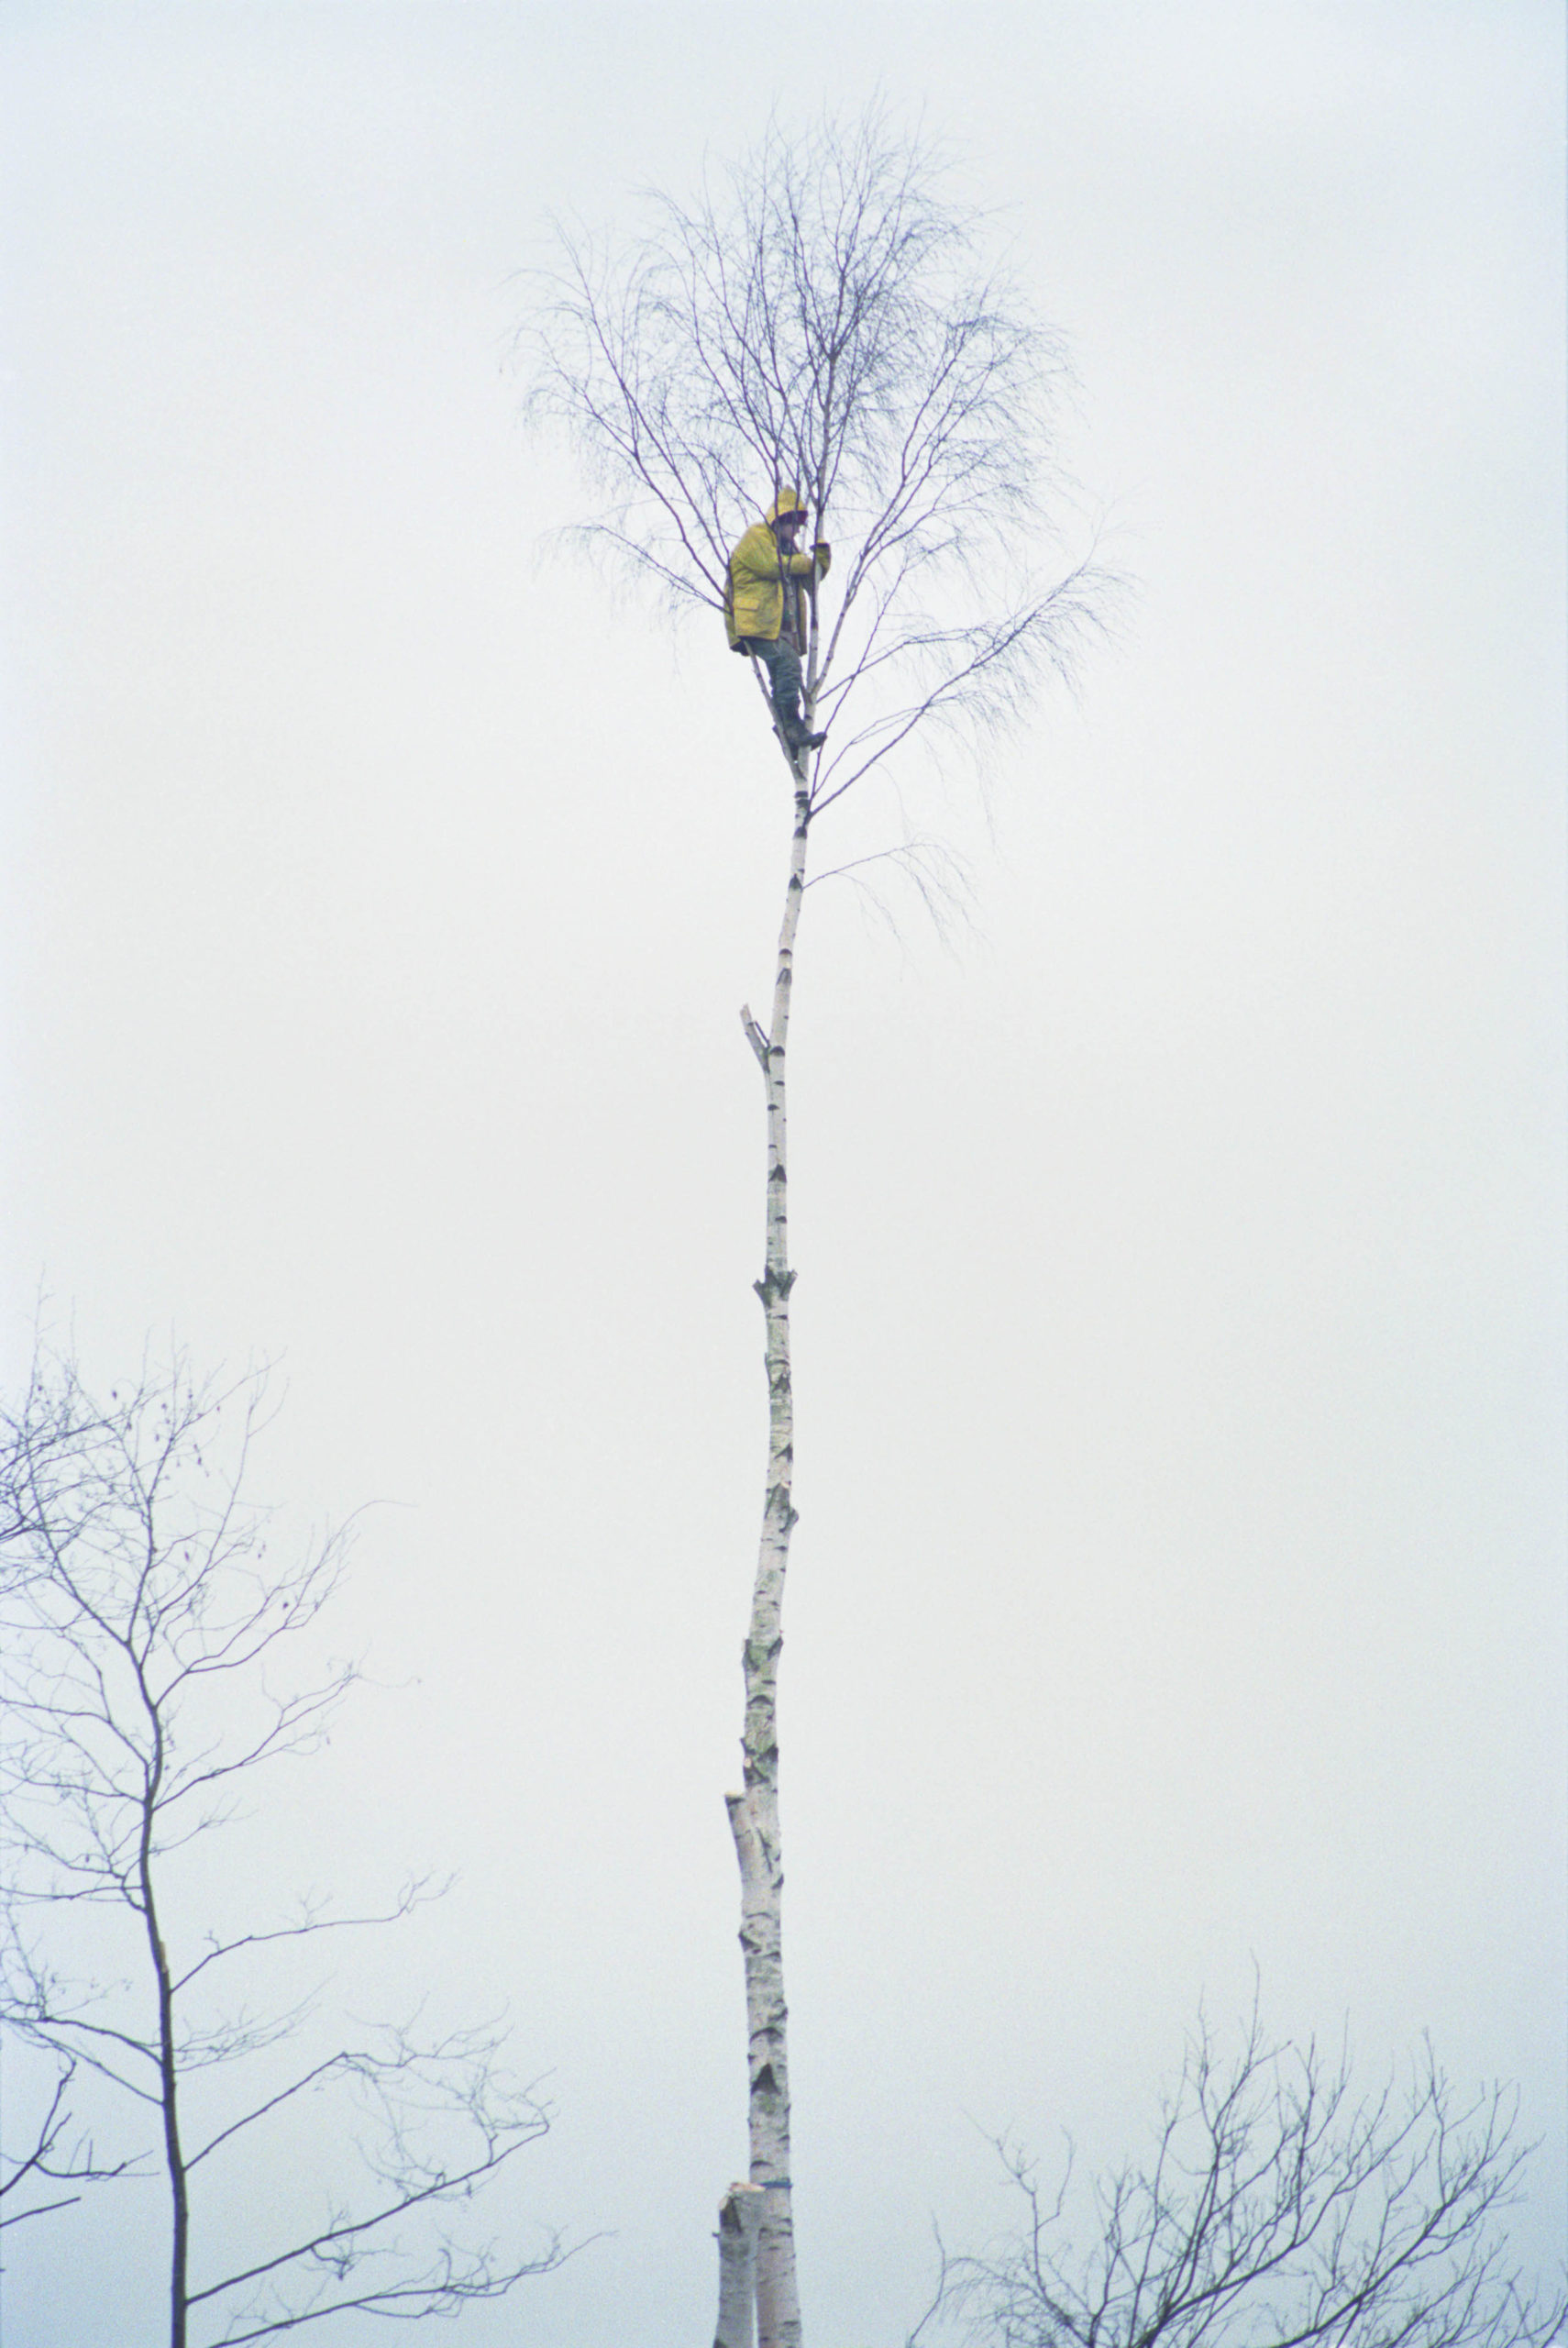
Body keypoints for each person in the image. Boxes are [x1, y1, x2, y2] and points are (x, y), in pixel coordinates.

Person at [724, 491, 832, 756]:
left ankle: (788, 737)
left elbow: (811, 580)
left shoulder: (790, 551)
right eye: (793, 524)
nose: (796, 531)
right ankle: (792, 727)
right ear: (781, 519)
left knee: (782, 675)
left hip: (780, 629)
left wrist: (820, 556)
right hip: (757, 622)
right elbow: (771, 566)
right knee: (788, 663)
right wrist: (805, 562)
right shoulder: (757, 536)